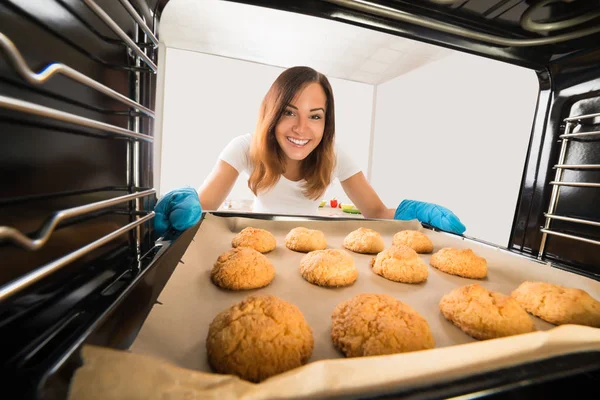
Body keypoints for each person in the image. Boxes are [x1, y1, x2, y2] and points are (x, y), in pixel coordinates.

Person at [154, 66, 466, 236]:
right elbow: (203, 208)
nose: (302, 129)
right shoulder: (245, 148)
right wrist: (185, 202)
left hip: (312, 248)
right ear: (272, 114)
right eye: (289, 112)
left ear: (326, 122)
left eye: (315, 116)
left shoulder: (335, 155)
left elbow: (376, 213)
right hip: (255, 242)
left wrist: (411, 212)